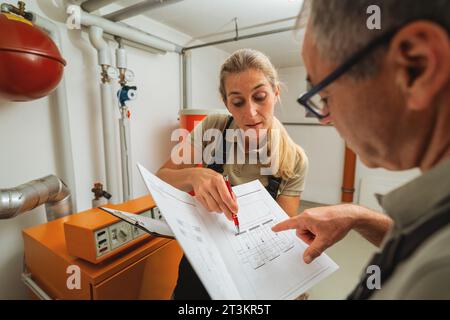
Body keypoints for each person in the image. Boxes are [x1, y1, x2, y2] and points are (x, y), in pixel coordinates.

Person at [273, 0, 450, 299]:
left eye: (325, 94)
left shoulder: (437, 277)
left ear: (416, 68)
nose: (326, 118)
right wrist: (359, 216)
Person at [157, 49, 309, 299]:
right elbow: (161, 177)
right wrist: (193, 175)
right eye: (237, 102)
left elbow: (281, 234)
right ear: (226, 102)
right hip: (200, 265)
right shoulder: (212, 128)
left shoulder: (294, 160)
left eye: (260, 97)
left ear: (276, 93)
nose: (250, 113)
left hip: (252, 272)